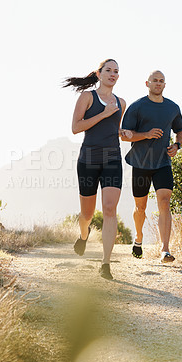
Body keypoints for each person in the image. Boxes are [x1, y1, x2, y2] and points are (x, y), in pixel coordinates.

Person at [63, 59, 131, 280]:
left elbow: (114, 128)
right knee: (87, 214)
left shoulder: (122, 102)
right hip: (88, 160)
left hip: (112, 158)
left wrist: (124, 133)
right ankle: (84, 235)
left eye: (116, 72)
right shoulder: (87, 97)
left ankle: (106, 264)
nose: (113, 74)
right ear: (99, 74)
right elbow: (76, 128)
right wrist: (103, 113)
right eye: (109, 70)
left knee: (110, 209)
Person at [121, 70, 182, 263]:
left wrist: (177, 145)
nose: (158, 83)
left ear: (165, 85)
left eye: (161, 81)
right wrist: (146, 134)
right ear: (147, 83)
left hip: (163, 163)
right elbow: (124, 134)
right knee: (140, 207)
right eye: (154, 80)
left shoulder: (172, 107)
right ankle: (138, 237)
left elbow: (180, 130)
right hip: (140, 163)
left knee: (164, 202)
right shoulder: (137, 106)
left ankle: (165, 250)